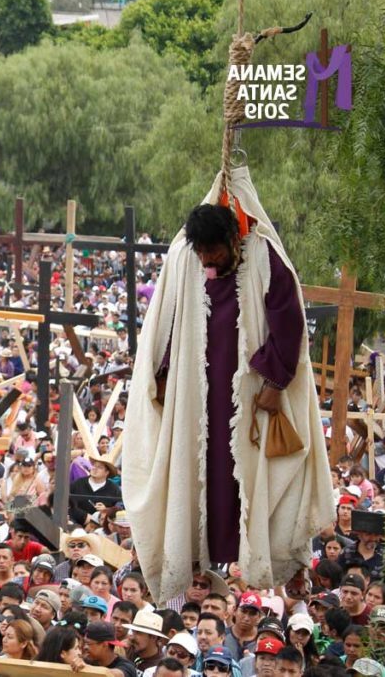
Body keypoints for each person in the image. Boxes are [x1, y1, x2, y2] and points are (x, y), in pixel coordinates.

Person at [125, 188, 334, 602]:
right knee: (194, 472)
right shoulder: (186, 262)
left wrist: (275, 382)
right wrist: (163, 373)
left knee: (260, 477)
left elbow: (288, 322)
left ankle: (277, 562)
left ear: (233, 240)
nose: (207, 260)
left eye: (214, 251)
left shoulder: (263, 257)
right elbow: (167, 316)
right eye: (201, 252)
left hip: (249, 395)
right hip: (196, 396)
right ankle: (195, 556)